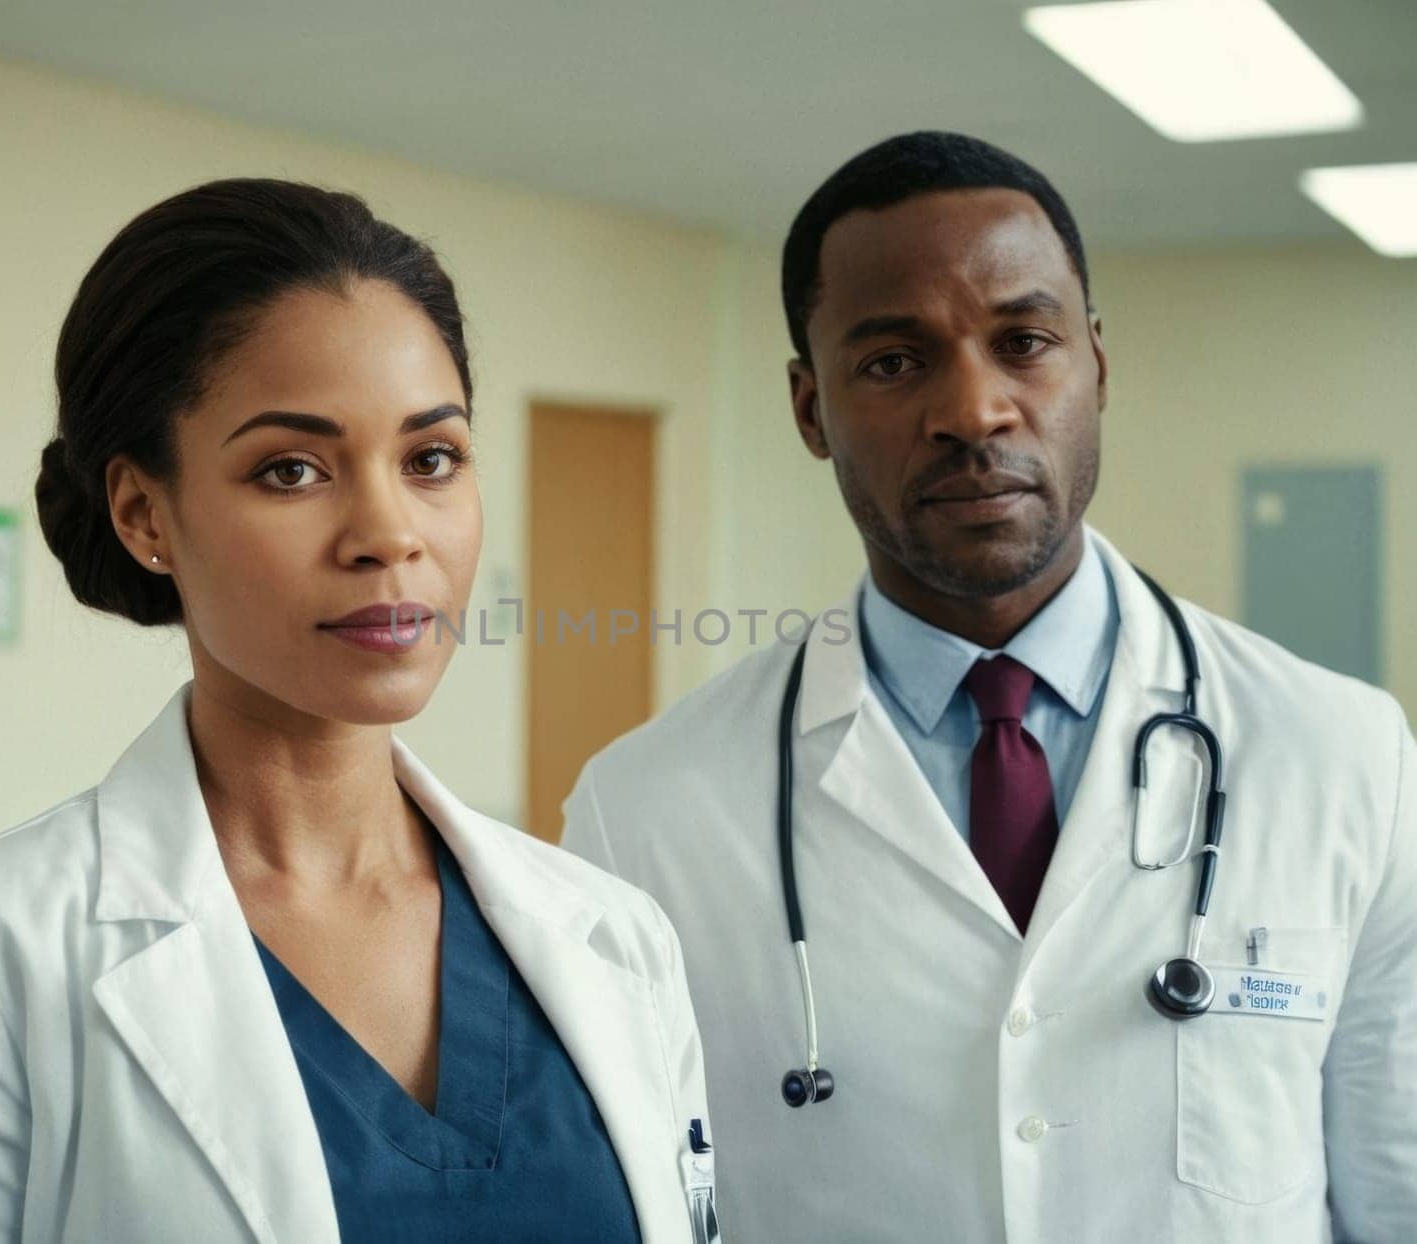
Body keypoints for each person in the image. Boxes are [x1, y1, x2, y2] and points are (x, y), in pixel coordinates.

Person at [0, 179, 718, 1243]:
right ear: (146, 513)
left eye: (431, 459)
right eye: (292, 469)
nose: (388, 533)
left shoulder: (614, 932)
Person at [560, 132, 1416, 1244]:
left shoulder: (1344, 753)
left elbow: (1394, 1189)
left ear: (1095, 364)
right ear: (809, 408)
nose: (973, 411)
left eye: (1023, 341)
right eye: (892, 361)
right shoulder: (646, 813)